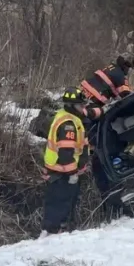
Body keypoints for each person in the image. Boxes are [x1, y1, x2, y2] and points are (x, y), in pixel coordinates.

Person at [40, 87, 92, 235]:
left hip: (62, 172)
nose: (83, 108)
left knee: (63, 203)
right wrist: (72, 173)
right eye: (81, 105)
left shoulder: (70, 118)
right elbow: (66, 152)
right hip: (62, 173)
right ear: (71, 105)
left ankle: (59, 230)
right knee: (59, 204)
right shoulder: (68, 124)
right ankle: (53, 233)